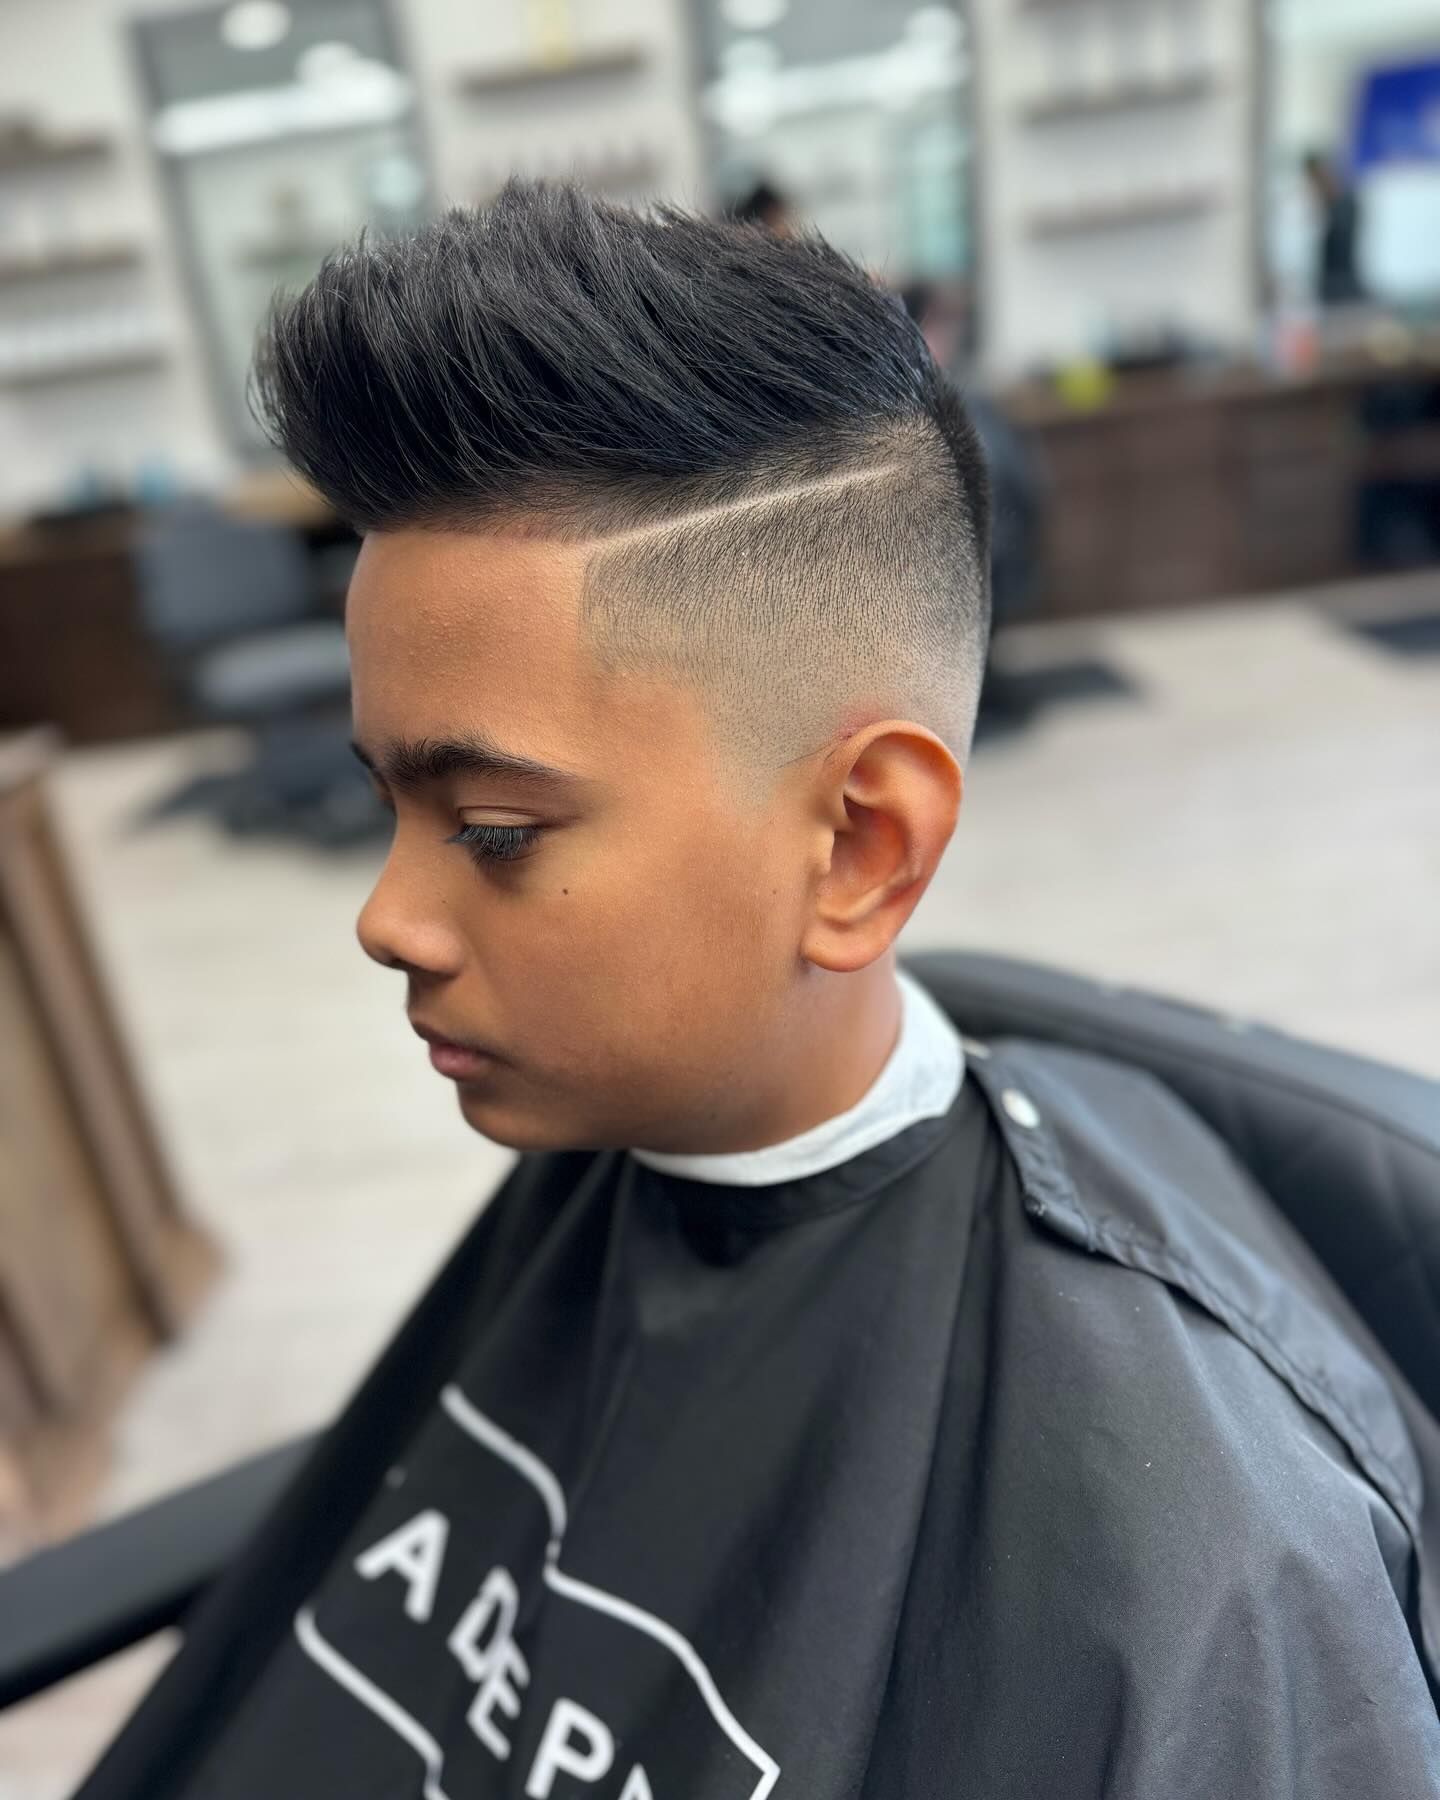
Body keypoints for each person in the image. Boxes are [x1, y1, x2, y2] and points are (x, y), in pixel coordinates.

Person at [76, 183, 1439, 1799]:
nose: (388, 921)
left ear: (861, 846)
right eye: (389, 805)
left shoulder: (1204, 1571)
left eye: (493, 830)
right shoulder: (616, 1153)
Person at [1303, 150, 1367, 306]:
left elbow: (1341, 246)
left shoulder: (1344, 206)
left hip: (1342, 289)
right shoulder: (1334, 206)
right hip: (1334, 288)